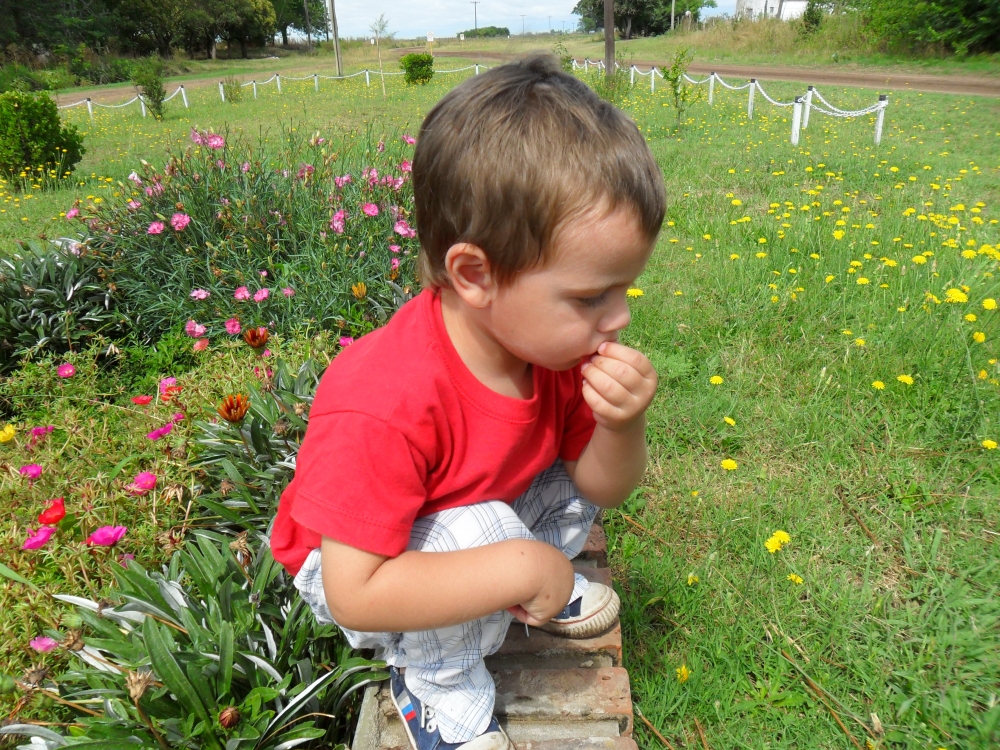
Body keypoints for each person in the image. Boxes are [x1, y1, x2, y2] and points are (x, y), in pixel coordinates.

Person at [271, 53, 666, 750]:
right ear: (475, 273)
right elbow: (354, 591)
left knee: (559, 491)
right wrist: (522, 563)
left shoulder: (549, 351)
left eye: (623, 288)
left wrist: (621, 423)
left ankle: (515, 581)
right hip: (363, 568)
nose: (620, 316)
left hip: (474, 518)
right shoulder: (383, 397)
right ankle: (438, 690)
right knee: (478, 532)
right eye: (590, 295)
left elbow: (604, 486)